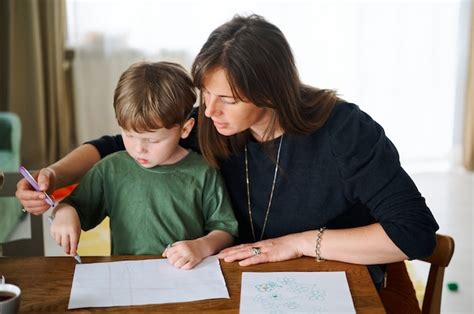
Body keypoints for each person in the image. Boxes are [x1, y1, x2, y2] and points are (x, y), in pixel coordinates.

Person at [17, 15, 438, 312]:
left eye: (228, 99)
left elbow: (413, 234)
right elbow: (117, 145)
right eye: (205, 94)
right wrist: (54, 176)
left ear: (271, 93)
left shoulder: (346, 132)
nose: (209, 111)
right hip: (245, 282)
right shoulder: (215, 124)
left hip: (337, 278)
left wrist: (295, 242)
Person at [48, 61, 238, 270]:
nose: (139, 149)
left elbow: (225, 230)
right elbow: (74, 206)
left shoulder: (203, 172)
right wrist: (63, 211)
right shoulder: (110, 170)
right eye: (129, 135)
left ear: (185, 129)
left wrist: (201, 246)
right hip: (127, 278)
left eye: (153, 140)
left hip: (185, 278)